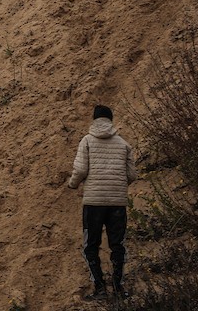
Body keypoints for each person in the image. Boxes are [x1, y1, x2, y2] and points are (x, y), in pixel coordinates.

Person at [68, 104, 138, 300]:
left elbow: (80, 170)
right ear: (111, 121)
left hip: (93, 203)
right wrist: (119, 186)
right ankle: (118, 287)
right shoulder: (123, 144)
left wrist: (72, 184)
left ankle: (99, 288)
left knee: (91, 244)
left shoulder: (87, 141)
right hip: (117, 203)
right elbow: (132, 174)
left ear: (94, 120)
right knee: (117, 244)